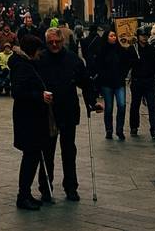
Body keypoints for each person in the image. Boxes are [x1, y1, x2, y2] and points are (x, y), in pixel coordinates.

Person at [36, 27, 102, 203]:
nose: (54, 45)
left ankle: (71, 187)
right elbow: (33, 83)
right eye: (50, 43)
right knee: (47, 152)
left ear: (62, 40)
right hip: (48, 113)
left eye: (57, 42)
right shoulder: (40, 59)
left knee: (69, 151)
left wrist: (92, 101)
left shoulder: (73, 59)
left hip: (68, 110)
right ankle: (46, 188)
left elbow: (85, 82)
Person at [10, 32, 52, 209]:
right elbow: (18, 92)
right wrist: (39, 96)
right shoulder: (22, 66)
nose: (40, 54)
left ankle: (26, 194)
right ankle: (23, 195)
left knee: (32, 156)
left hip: (31, 118)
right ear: (32, 51)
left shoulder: (26, 63)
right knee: (30, 156)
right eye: (38, 51)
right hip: (27, 119)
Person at [94, 27, 131, 140]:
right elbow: (98, 66)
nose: (114, 38)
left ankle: (119, 129)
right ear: (106, 37)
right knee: (109, 107)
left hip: (119, 82)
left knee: (122, 105)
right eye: (111, 36)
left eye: (114, 36)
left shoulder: (120, 50)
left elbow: (126, 63)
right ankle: (109, 129)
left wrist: (123, 74)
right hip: (107, 83)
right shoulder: (102, 51)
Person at [128, 26, 155, 139]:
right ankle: (134, 126)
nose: (144, 38)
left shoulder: (152, 50)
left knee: (152, 106)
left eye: (146, 36)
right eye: (142, 36)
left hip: (149, 81)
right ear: (138, 37)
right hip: (137, 80)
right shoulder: (133, 49)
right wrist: (134, 61)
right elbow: (127, 64)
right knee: (135, 105)